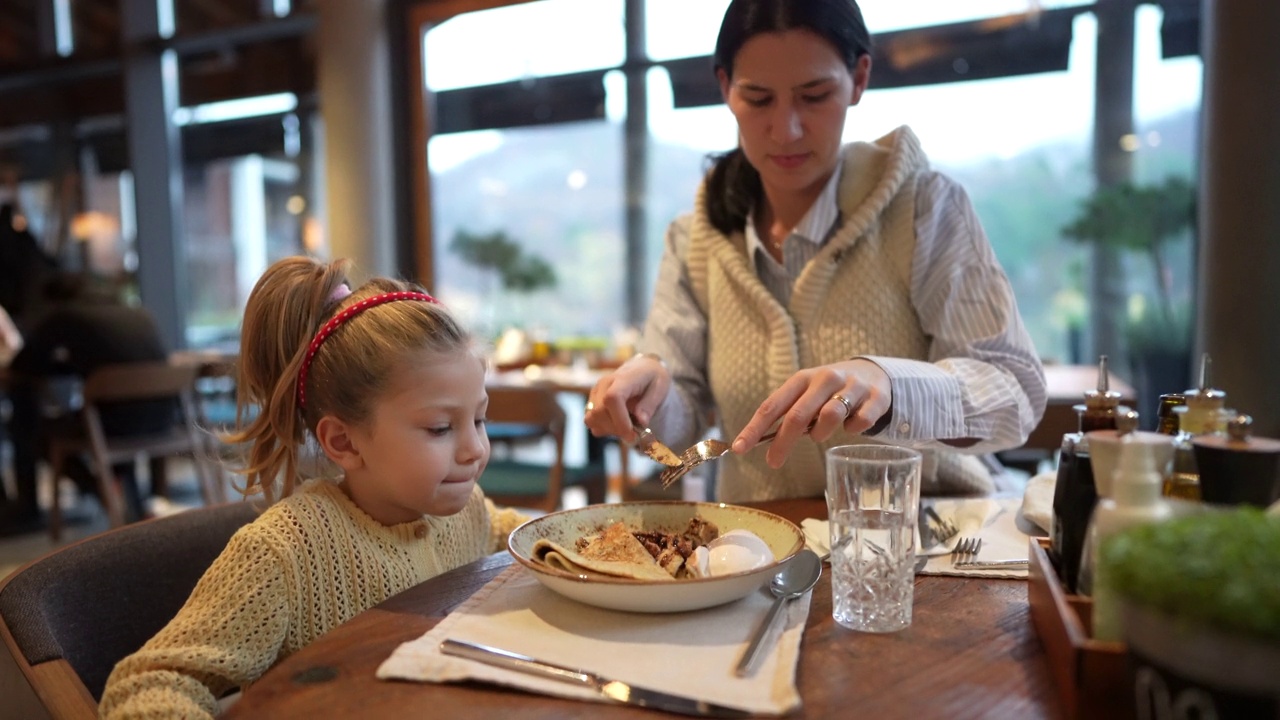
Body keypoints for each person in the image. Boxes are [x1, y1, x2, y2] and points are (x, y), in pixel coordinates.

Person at [584, 0, 1047, 502]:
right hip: (762, 551)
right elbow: (681, 423)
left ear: (859, 79)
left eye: (814, 95)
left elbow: (1015, 391)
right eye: (758, 99)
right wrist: (645, 400)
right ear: (725, 88)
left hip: (922, 542)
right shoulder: (696, 239)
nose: (786, 129)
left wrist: (887, 386)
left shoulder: (923, 210)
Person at [99, 256, 528, 718]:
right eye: (441, 428)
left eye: (479, 419)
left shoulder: (466, 512)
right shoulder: (284, 553)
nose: (474, 450)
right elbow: (149, 684)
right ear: (343, 441)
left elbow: (514, 535)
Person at [3, 273, 171, 531]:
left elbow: (23, 364)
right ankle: (145, 501)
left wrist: (61, 364)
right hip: (165, 421)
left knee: (37, 433)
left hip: (116, 424)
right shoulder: (134, 311)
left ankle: (101, 491)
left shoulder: (66, 316)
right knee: (109, 412)